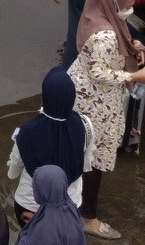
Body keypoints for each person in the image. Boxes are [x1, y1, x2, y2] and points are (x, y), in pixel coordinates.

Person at [66, 0, 145, 239]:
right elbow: (99, 72)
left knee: (80, 152)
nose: (131, 8)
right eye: (128, 4)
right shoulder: (104, 35)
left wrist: (133, 47)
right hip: (95, 103)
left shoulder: (101, 18)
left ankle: (71, 201)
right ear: (115, 4)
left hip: (84, 96)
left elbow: (113, 47)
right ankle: (88, 218)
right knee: (93, 158)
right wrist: (135, 77)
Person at [7, 68, 93, 228]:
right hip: (70, 207)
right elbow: (86, 165)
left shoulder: (27, 132)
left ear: (44, 96)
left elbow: (13, 173)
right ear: (72, 97)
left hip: (29, 208)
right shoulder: (85, 125)